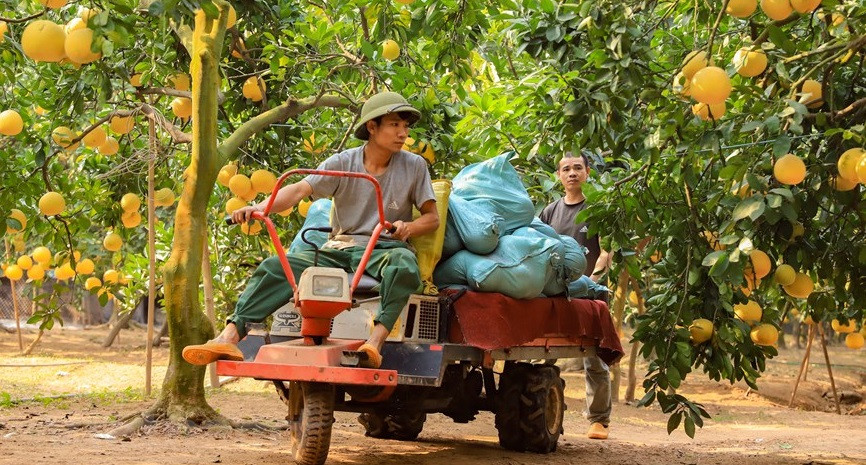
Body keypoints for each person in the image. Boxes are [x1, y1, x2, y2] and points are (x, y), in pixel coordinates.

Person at [182, 91, 439, 369]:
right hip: (340, 248)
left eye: (405, 126)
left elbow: (432, 218)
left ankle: (374, 343)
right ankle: (229, 336)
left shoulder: (414, 166)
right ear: (372, 127)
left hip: (383, 249)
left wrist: (408, 227)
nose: (403, 133)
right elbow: (298, 190)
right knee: (274, 267)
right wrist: (259, 207)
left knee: (405, 265)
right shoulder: (343, 162)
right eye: (394, 125)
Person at [539, 151, 612, 440]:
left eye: (578, 168)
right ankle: (543, 409)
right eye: (566, 169)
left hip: (590, 294)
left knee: (594, 357)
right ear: (558, 176)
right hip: (556, 293)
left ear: (587, 173)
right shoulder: (549, 212)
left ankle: (599, 420)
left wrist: (591, 282)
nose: (572, 173)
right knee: (542, 349)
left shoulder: (597, 208)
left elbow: (606, 251)